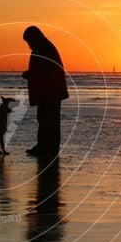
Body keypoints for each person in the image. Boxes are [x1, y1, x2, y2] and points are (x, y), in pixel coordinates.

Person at [21, 26, 69, 157]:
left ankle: (48, 149)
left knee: (49, 121)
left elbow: (44, 70)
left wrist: (29, 74)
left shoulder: (44, 48)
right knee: (44, 120)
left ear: (34, 38)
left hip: (50, 93)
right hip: (49, 92)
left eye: (29, 42)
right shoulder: (44, 47)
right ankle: (44, 146)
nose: (29, 45)